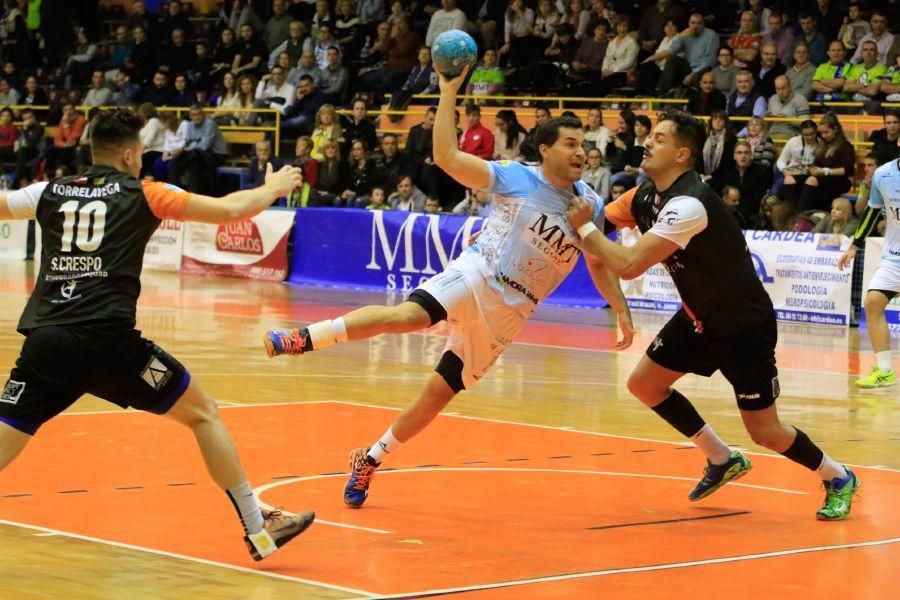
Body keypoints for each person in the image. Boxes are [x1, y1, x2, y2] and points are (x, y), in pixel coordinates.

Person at [261, 63, 633, 509]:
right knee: (406, 317)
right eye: (570, 144)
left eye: (584, 145)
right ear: (546, 149)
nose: (580, 152)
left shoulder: (590, 203)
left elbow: (597, 259)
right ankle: (303, 339)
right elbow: (447, 159)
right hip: (478, 274)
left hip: (511, 313)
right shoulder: (518, 177)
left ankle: (370, 459)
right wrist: (448, 91)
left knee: (438, 394)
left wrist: (622, 310)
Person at [0, 107, 314, 561]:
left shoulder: (48, 190)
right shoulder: (147, 193)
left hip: (46, 341)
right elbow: (229, 211)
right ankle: (258, 526)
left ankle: (262, 526)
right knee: (203, 414)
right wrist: (274, 186)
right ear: (129, 154)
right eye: (142, 153)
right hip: (109, 343)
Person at [566, 109, 860, 520]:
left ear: (683, 154)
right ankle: (722, 458)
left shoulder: (689, 205)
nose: (648, 141)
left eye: (660, 138)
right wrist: (620, 307)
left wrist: (586, 230)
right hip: (697, 318)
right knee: (645, 385)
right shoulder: (642, 195)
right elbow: (597, 240)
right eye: (650, 135)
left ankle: (838, 475)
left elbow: (627, 261)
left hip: (743, 327)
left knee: (765, 432)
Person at [839, 153, 900, 388]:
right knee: (873, 303)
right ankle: (885, 370)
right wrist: (854, 246)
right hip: (894, 257)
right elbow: (872, 211)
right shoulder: (883, 174)